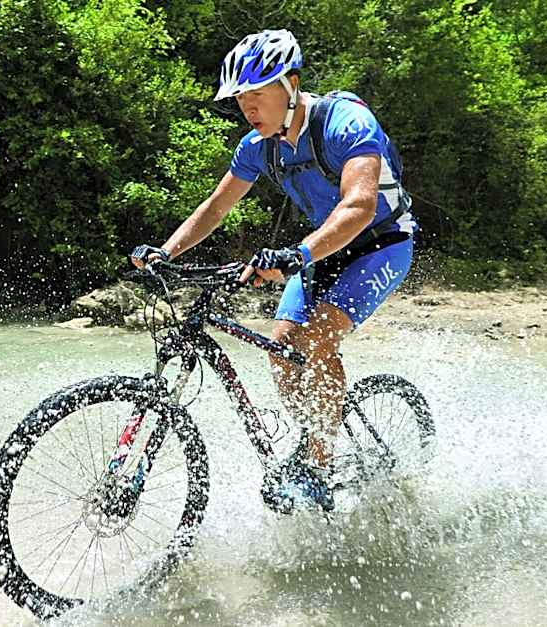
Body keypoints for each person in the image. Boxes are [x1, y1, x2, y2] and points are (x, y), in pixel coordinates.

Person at [129, 29, 416, 514]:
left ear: (292, 85)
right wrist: (166, 252)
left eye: (257, 95)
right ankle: (312, 438)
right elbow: (216, 208)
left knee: (318, 336)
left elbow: (361, 205)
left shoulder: (345, 122)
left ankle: (319, 465)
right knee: (282, 347)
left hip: (381, 244)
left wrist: (296, 255)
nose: (249, 108)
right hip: (318, 251)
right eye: (242, 99)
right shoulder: (257, 146)